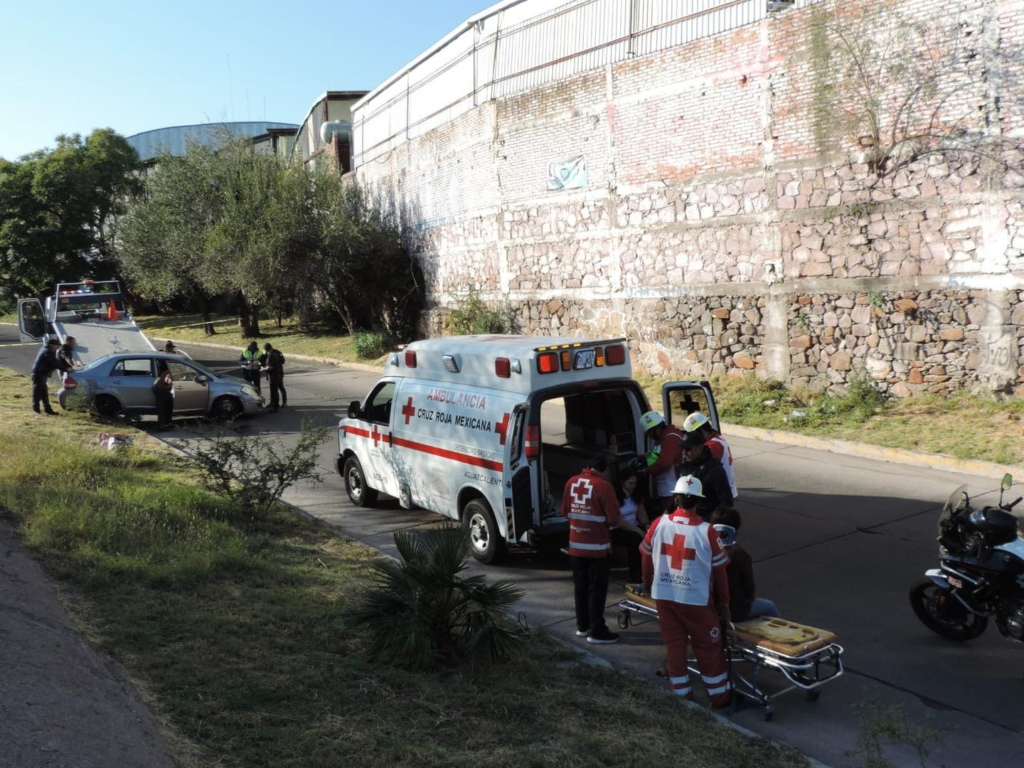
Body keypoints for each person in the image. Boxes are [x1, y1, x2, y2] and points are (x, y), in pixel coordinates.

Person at [641, 475, 732, 708]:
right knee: (708, 647)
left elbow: (646, 557)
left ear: (676, 499)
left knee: (674, 645)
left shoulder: (658, 524)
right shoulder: (708, 531)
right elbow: (720, 572)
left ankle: (681, 694)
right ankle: (719, 696)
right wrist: (724, 602)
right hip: (696, 600)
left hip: (664, 596)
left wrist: (647, 583)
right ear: (699, 502)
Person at [561, 455, 622, 645]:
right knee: (597, 591)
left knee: (580, 588)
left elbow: (564, 512)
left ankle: (582, 626)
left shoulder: (571, 482)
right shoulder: (604, 487)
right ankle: (597, 631)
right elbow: (614, 519)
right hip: (597, 549)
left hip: (576, 547)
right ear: (605, 470)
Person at [711, 507, 779, 622]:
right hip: (734, 611)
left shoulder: (705, 549)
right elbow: (749, 588)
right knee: (770, 607)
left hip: (709, 608)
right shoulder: (739, 555)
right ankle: (781, 637)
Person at [678, 431, 733, 521]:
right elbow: (678, 492)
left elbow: (727, 502)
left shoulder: (715, 470)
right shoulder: (684, 465)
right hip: (685, 519)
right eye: (682, 449)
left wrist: (705, 520)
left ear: (700, 447)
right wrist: (667, 513)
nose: (684, 453)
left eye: (688, 449)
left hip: (705, 522)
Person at [639, 411, 686, 517]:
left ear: (656, 429)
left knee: (671, 515)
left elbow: (664, 463)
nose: (650, 436)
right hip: (667, 487)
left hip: (672, 487)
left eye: (650, 433)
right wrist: (641, 458)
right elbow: (656, 455)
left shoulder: (671, 437)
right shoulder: (664, 438)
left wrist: (646, 471)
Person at [684, 412, 738, 499]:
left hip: (718, 493)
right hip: (723, 488)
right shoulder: (716, 437)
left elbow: (699, 468)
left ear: (701, 431)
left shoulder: (712, 446)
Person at [611, 470, 649, 584]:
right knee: (636, 541)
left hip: (633, 526)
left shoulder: (635, 494)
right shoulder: (614, 496)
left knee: (652, 537)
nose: (633, 486)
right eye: (630, 483)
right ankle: (636, 577)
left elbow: (641, 513)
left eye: (635, 483)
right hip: (617, 528)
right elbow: (618, 521)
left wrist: (647, 525)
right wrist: (638, 531)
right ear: (623, 483)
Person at [31, 339, 61, 415]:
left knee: (44, 392)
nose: (57, 347)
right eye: (56, 345)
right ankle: (36, 408)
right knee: (37, 392)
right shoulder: (47, 352)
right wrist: (66, 369)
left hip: (42, 374)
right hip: (39, 374)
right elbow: (56, 363)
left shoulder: (45, 349)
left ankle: (47, 409)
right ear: (51, 345)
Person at [260, 343, 287, 411]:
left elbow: (282, 361)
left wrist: (273, 365)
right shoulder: (268, 353)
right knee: (273, 389)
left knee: (279, 388)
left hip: (277, 372)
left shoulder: (276, 353)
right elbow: (263, 360)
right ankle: (272, 402)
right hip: (273, 373)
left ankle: (282, 403)